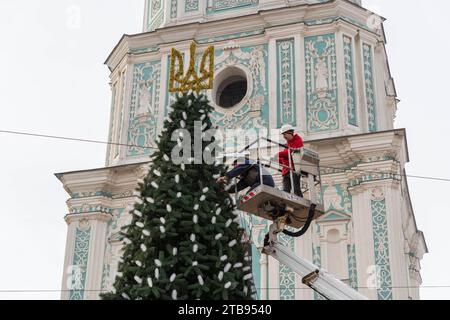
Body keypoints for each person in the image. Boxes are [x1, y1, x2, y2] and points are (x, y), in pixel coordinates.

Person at [277, 124, 304, 197]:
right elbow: (285, 158)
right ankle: (287, 206)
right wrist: (277, 159)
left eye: (284, 134)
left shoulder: (297, 140)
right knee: (286, 191)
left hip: (294, 169)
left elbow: (291, 153)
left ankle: (300, 202)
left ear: (290, 132)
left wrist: (277, 154)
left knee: (296, 189)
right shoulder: (288, 144)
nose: (284, 137)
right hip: (286, 170)